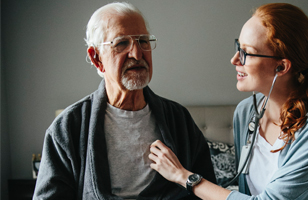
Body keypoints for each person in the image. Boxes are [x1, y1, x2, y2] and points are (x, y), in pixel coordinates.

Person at [149, 3, 308, 199]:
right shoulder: (245, 112)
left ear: (282, 66)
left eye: (247, 52)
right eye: (238, 47)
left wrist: (183, 176)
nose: (235, 60)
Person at [33, 2, 215, 199]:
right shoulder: (68, 128)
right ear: (97, 58)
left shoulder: (179, 119)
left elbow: (207, 189)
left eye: (143, 41)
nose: (137, 54)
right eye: (121, 43)